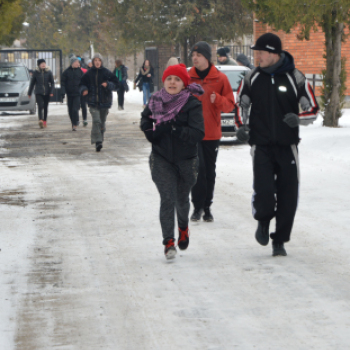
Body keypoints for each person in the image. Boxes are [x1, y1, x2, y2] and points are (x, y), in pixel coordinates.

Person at [235, 33, 319, 256]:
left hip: (287, 145)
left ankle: (279, 240)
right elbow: (241, 104)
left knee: (288, 194)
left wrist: (298, 118)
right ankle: (263, 220)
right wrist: (242, 127)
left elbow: (312, 108)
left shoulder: (295, 77)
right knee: (264, 191)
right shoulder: (252, 77)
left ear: (273, 53)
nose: (257, 56)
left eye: (260, 52)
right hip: (260, 145)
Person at [140, 64, 205, 259]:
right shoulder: (155, 100)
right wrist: (152, 134)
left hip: (186, 160)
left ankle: (183, 228)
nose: (172, 82)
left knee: (181, 199)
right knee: (167, 198)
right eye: (169, 79)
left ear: (184, 83)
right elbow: (145, 121)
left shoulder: (192, 104)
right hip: (161, 158)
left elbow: (198, 133)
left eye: (177, 79)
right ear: (164, 81)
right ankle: (168, 242)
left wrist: (177, 130)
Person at [188, 41, 235, 222]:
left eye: (198, 55)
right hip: (193, 133)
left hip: (212, 133)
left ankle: (207, 207)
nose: (195, 58)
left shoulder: (220, 78)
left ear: (206, 57)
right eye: (193, 55)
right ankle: (197, 207)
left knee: (209, 171)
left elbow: (230, 105)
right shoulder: (188, 78)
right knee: (197, 169)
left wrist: (218, 100)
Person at [80, 53, 119, 152]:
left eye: (99, 60)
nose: (97, 62)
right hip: (93, 101)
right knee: (96, 121)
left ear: (101, 62)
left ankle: (100, 140)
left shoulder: (106, 72)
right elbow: (81, 84)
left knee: (102, 123)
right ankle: (97, 142)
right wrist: (84, 89)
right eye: (95, 60)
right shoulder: (89, 73)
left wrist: (108, 84)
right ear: (93, 62)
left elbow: (116, 84)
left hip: (105, 101)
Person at [28, 59, 55, 128]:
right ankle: (41, 120)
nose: (43, 65)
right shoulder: (36, 72)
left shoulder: (48, 72)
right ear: (39, 65)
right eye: (41, 64)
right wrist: (29, 92)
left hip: (47, 92)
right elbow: (32, 83)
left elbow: (52, 83)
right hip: (38, 92)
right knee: (40, 106)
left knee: (45, 107)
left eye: (44, 63)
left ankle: (45, 121)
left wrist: (51, 91)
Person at [61, 56, 84, 131]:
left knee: (75, 109)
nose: (78, 63)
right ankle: (73, 123)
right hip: (69, 93)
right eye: (76, 62)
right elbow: (63, 83)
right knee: (70, 110)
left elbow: (84, 82)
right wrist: (63, 92)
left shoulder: (80, 72)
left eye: (78, 62)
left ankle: (75, 123)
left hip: (77, 93)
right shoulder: (66, 72)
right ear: (72, 63)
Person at [78, 60, 88, 127]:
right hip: (74, 92)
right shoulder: (69, 71)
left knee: (83, 106)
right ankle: (76, 120)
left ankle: (84, 119)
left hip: (82, 92)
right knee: (76, 107)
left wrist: (85, 89)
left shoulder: (84, 71)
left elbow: (87, 81)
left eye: (78, 64)